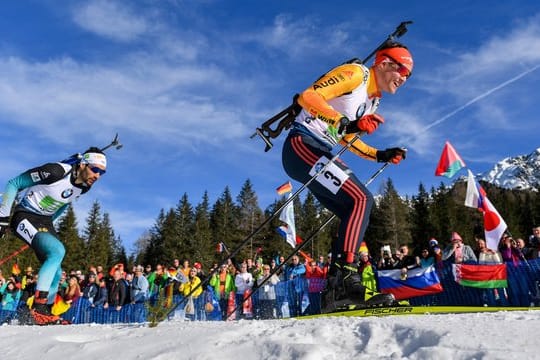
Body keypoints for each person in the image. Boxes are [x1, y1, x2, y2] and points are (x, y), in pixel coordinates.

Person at [281, 41, 412, 310]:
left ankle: (333, 294)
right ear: (385, 63)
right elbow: (309, 96)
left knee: (353, 210)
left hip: (319, 150)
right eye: (403, 71)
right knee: (362, 199)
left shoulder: (372, 101)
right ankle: (345, 280)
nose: (404, 79)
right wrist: (343, 122)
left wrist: (380, 154)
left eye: (409, 76)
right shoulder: (357, 73)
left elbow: (348, 138)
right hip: (301, 144)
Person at [0, 147, 107, 325]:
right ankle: (39, 309)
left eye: (102, 172)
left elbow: (65, 201)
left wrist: (50, 225)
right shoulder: (55, 171)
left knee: (56, 272)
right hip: (24, 215)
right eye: (94, 169)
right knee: (57, 251)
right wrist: (3, 216)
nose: (97, 176)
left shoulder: (84, 187)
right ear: (82, 164)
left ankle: (44, 313)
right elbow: (14, 183)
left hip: (44, 221)